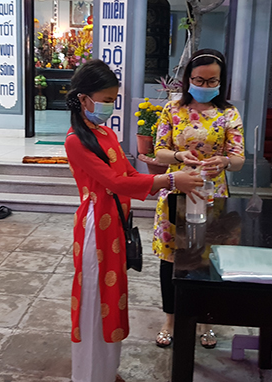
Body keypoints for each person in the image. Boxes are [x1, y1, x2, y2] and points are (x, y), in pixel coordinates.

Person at [64, 59, 204, 382]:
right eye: (105, 99)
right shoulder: (76, 140)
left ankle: (106, 370)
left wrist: (163, 174)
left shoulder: (105, 133)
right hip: (95, 227)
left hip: (114, 225)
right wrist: (169, 182)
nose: (109, 106)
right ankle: (88, 375)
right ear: (84, 99)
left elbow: (126, 173)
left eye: (113, 99)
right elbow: (115, 184)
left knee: (111, 299)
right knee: (93, 302)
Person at [152, 49, 246, 349]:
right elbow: (159, 151)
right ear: (187, 79)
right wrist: (179, 155)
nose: (205, 86)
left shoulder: (228, 113)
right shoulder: (172, 110)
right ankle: (171, 319)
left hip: (212, 195)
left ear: (221, 81)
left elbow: (239, 157)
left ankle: (206, 321)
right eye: (198, 80)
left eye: (211, 81)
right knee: (171, 259)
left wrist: (224, 162)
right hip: (176, 191)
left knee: (206, 260)